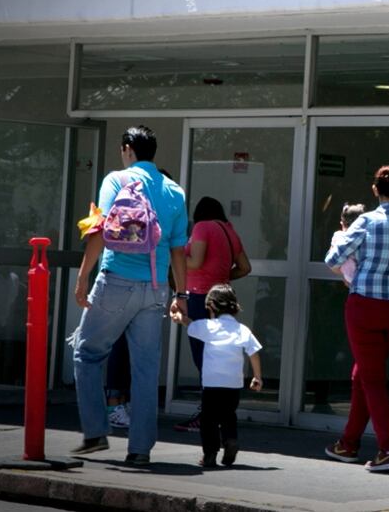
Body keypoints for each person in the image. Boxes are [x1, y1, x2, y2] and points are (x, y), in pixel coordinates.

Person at [70, 125, 188, 465]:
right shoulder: (174, 191)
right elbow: (179, 249)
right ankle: (139, 451)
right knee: (147, 371)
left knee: (87, 352)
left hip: (116, 281)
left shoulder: (116, 181)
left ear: (127, 149)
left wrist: (81, 279)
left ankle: (95, 432)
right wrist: (181, 293)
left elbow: (98, 232)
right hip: (155, 289)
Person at [322, 165, 389, 472]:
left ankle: (388, 447)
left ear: (375, 190)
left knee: (372, 379)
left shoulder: (366, 221)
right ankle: (348, 443)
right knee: (362, 374)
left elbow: (333, 260)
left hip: (365, 304)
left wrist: (341, 238)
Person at [174, 197, 252, 433]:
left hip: (200, 298)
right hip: (222, 298)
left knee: (203, 359)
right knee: (218, 357)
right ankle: (220, 415)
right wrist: (222, 279)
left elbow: (195, 261)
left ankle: (207, 415)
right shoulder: (230, 231)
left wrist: (174, 258)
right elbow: (245, 267)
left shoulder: (202, 227)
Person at [177, 284, 263, 468]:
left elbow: (189, 324)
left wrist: (179, 317)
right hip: (233, 384)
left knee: (208, 419)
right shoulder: (242, 329)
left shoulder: (208, 326)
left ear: (212, 307)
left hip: (212, 383)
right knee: (228, 416)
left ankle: (210, 454)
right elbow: (254, 352)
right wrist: (257, 376)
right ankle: (230, 441)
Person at [331, 203, 366, 287]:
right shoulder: (366, 236)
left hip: (349, 276)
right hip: (363, 279)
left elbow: (331, 261)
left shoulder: (339, 235)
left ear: (343, 223)